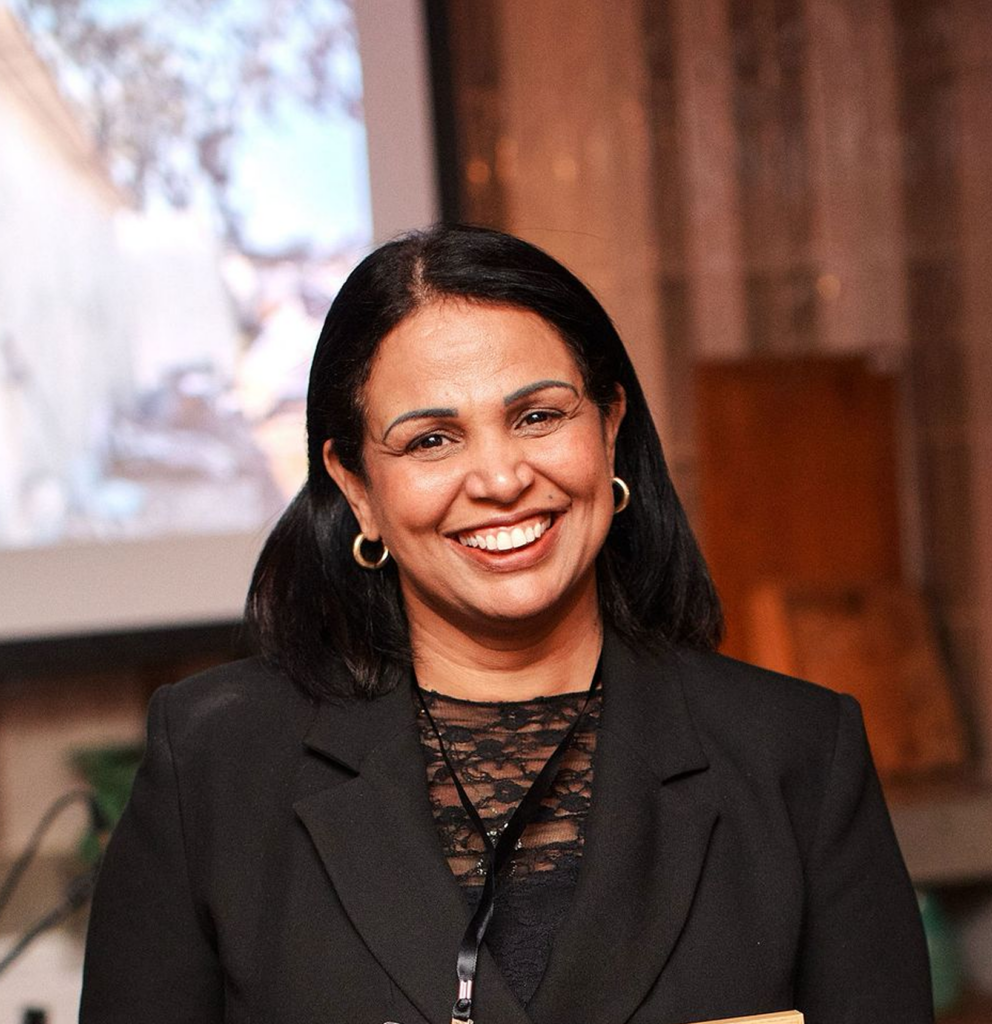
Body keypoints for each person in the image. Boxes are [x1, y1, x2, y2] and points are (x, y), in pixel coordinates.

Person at [80, 225, 933, 1024]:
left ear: (610, 427)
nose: (499, 478)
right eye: (431, 440)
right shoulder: (215, 766)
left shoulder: (798, 755)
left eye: (538, 417)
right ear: (356, 487)